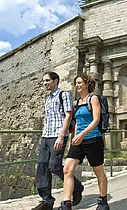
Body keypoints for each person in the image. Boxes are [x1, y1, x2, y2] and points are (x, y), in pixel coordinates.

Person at [32, 72, 84, 210]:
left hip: (58, 135)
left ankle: (76, 186)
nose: (45, 83)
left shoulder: (64, 94)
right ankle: (47, 201)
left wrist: (61, 136)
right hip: (46, 135)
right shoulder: (47, 98)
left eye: (47, 80)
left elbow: (68, 116)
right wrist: (43, 136)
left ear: (56, 80)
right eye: (43, 81)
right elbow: (48, 119)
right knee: (42, 166)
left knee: (54, 166)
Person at [60, 74, 110, 210]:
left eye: (79, 83)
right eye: (75, 83)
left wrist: (81, 135)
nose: (77, 85)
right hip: (78, 141)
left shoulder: (93, 99)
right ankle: (66, 204)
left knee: (98, 171)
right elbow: (76, 123)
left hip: (93, 139)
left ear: (87, 84)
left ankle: (103, 201)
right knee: (67, 169)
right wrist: (75, 137)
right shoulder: (76, 102)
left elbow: (96, 120)